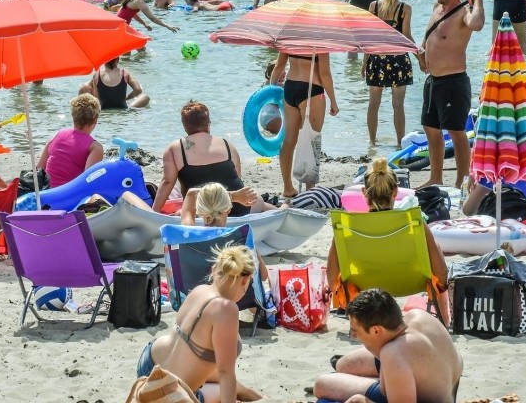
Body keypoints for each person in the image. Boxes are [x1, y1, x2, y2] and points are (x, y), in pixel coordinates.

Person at [326, 158, 450, 322]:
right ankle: (445, 320)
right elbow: (441, 272)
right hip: (410, 283)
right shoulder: (414, 222)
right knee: (436, 250)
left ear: (364, 192)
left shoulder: (346, 227)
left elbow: (331, 275)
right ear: (395, 192)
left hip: (365, 286)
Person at [135, 244, 263, 402]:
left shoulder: (199, 290)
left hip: (149, 363)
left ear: (214, 269)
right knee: (222, 390)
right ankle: (256, 397)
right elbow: (225, 373)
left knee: (228, 383)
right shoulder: (226, 309)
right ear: (244, 280)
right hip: (170, 392)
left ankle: (255, 396)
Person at [313, 289, 461, 403]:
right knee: (343, 364)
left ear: (376, 330)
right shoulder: (418, 316)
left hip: (422, 398)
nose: (353, 336)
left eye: (355, 331)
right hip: (443, 386)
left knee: (322, 384)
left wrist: (365, 401)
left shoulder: (393, 353)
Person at [419, 0, 485, 188]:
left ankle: (461, 181)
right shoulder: (436, 7)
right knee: (431, 128)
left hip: (453, 81)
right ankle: (436, 177)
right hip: (433, 80)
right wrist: (422, 53)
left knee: (457, 132)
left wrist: (479, 3)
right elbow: (430, 37)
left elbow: (477, 25)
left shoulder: (463, 12)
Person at [153, 101, 254, 216]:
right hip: (236, 208)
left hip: (199, 212)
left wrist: (154, 212)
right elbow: (237, 178)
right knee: (260, 202)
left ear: (184, 126)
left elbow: (167, 182)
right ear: (208, 124)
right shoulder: (227, 145)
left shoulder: (175, 148)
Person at [269, 50, 338, 197]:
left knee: (288, 140)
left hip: (290, 87)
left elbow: (279, 66)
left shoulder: (290, 36)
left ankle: (287, 187)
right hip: (312, 89)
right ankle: (310, 189)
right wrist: (333, 100)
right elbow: (325, 73)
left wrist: (269, 91)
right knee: (311, 139)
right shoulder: (320, 40)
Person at [363, 0, 417, 146]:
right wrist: (420, 56)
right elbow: (407, 36)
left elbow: (369, 37)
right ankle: (400, 143)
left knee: (373, 104)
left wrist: (365, 62)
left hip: (377, 59)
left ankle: (372, 142)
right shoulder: (405, 8)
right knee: (398, 105)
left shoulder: (374, 6)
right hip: (399, 60)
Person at [37, 94, 104, 188]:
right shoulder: (95, 147)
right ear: (95, 120)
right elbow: (88, 181)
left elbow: (39, 169)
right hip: (68, 196)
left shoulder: (57, 135)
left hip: (46, 192)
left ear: (73, 116)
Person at [78, 56, 150, 109]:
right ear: (118, 60)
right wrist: (126, 98)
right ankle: (130, 106)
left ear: (104, 61)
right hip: (122, 107)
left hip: (102, 108)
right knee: (145, 97)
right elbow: (138, 90)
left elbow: (96, 97)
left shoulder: (97, 74)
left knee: (84, 87)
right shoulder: (125, 72)